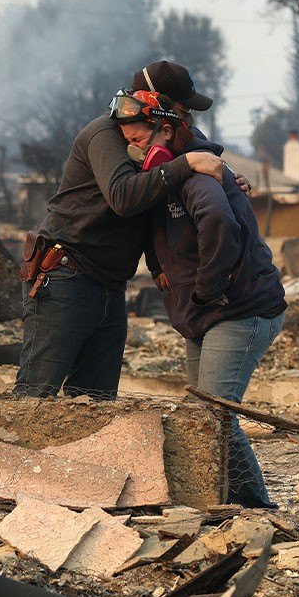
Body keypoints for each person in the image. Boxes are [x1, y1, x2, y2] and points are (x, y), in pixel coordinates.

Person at [16, 61, 246, 397]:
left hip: (109, 285)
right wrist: (185, 164)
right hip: (66, 277)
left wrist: (224, 176)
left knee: (95, 403)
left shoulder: (160, 141)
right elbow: (124, 197)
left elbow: (155, 205)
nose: (186, 122)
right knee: (35, 395)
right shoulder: (106, 135)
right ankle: (5, 453)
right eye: (182, 111)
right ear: (157, 104)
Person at [139, 92, 286, 509]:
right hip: (205, 313)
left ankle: (257, 507)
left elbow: (218, 220)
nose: (135, 148)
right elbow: (153, 230)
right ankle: (219, 502)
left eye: (140, 140)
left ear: (167, 130)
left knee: (214, 417)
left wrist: (206, 286)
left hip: (239, 309)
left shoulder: (196, 172)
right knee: (200, 414)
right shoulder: (168, 175)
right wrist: (157, 268)